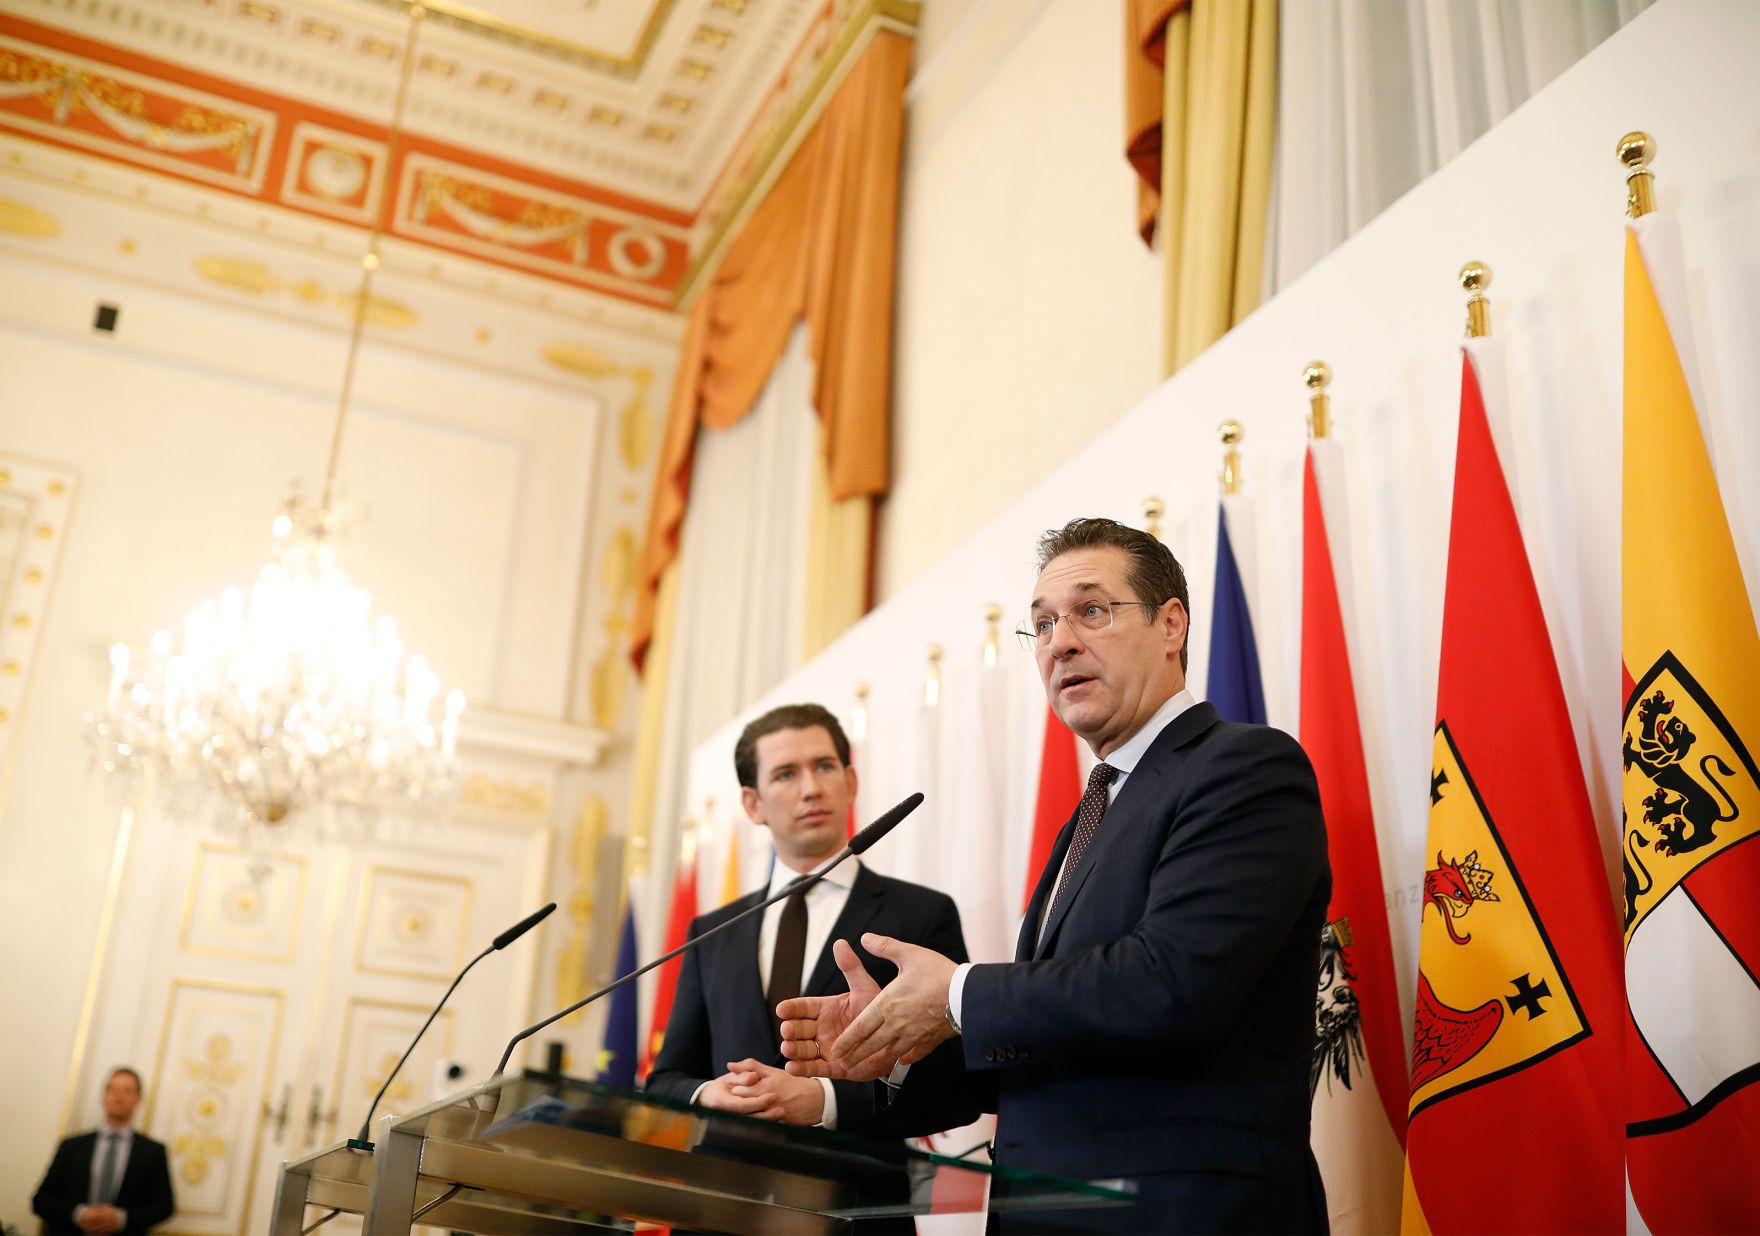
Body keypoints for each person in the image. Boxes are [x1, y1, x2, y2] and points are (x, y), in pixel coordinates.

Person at [779, 518, 1333, 1234]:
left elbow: (1169, 984)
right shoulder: (1093, 812)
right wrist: (891, 1045)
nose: (1059, 642)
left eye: (1092, 612)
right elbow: (1055, 1044)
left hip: (1183, 1213)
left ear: (1172, 626)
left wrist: (955, 992)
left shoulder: (1244, 768)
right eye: (1041, 625)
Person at [646, 702, 978, 1139]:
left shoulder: (920, 914)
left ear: (850, 781)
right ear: (753, 803)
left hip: (855, 1200)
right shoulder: (712, 932)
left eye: (823, 767)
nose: (810, 789)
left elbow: (959, 1088)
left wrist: (824, 1100)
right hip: (726, 1195)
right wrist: (708, 1094)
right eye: (785, 774)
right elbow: (665, 1081)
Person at [32, 1067, 176, 1235]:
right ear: (103, 1096)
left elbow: (165, 1207)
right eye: (112, 1089)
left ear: (138, 1099)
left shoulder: (153, 1152)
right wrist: (80, 1214)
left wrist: (121, 1218)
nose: (118, 1097)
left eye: (127, 1091)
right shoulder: (71, 1146)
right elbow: (41, 1200)